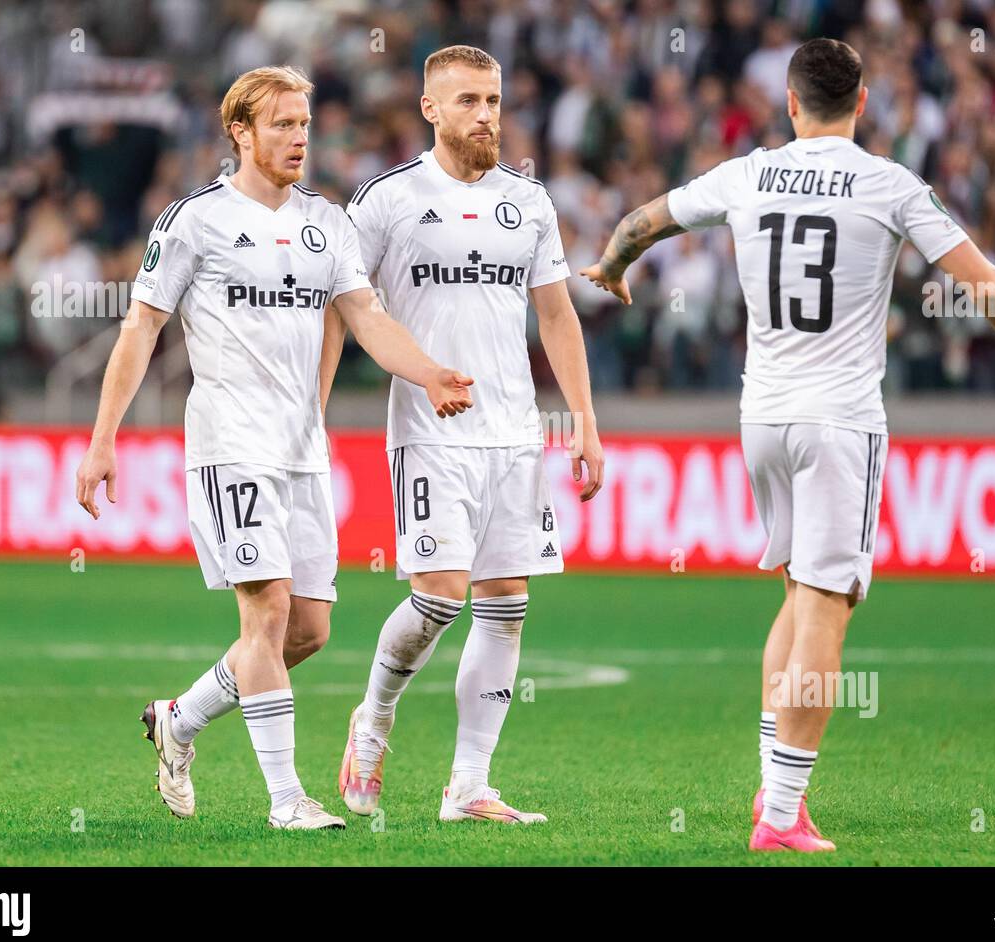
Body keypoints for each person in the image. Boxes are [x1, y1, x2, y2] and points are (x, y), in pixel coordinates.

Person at [581, 38, 995, 851]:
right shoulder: (890, 184)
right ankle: (781, 814)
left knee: (798, 598)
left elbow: (641, 221)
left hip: (762, 418)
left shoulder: (748, 172)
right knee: (826, 615)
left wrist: (612, 266)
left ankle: (776, 796)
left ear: (792, 105)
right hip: (839, 423)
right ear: (864, 103)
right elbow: (980, 278)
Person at [75, 65, 474, 831]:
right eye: (283, 124)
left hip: (301, 450)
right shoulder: (195, 220)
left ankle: (179, 720)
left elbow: (367, 316)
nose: (298, 137)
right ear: (241, 133)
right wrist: (103, 440)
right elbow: (141, 329)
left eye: (304, 123)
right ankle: (287, 800)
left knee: (308, 630)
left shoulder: (327, 223)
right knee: (265, 615)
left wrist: (427, 373)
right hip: (231, 443)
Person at [335, 45, 605, 825]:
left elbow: (556, 315)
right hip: (428, 430)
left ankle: (469, 786)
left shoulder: (530, 201)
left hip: (516, 433)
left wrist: (583, 422)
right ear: (430, 109)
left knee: (507, 605)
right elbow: (350, 308)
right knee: (440, 599)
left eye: (492, 100)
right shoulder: (385, 201)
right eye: (467, 102)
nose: (485, 115)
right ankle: (374, 718)